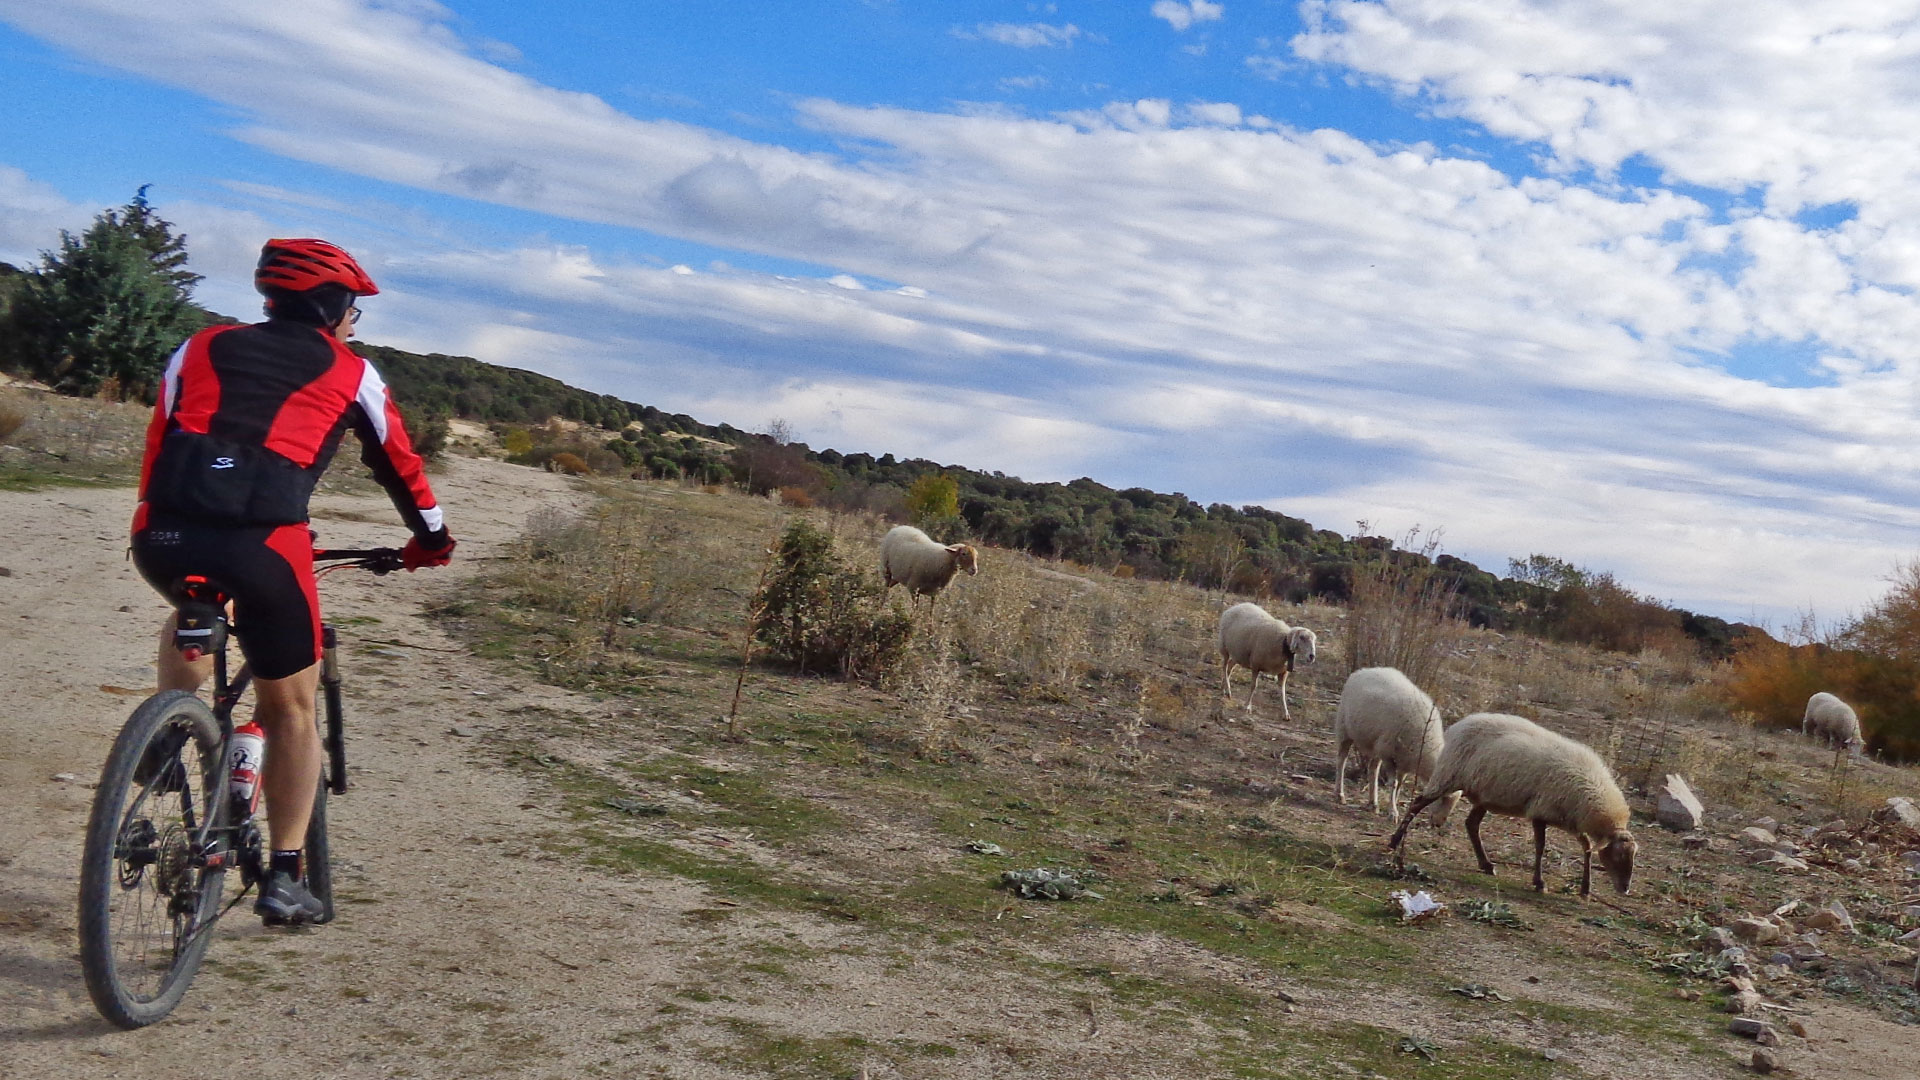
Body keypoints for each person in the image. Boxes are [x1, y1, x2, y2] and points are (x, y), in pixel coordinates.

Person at [130, 238, 455, 924]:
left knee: (195, 593)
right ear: (334, 306)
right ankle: (283, 873)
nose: (355, 322)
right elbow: (400, 466)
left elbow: (161, 440)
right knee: (293, 711)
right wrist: (432, 542)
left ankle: (164, 737)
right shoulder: (351, 371)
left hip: (162, 532)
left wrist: (158, 519)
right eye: (353, 308)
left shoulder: (201, 345)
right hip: (265, 546)